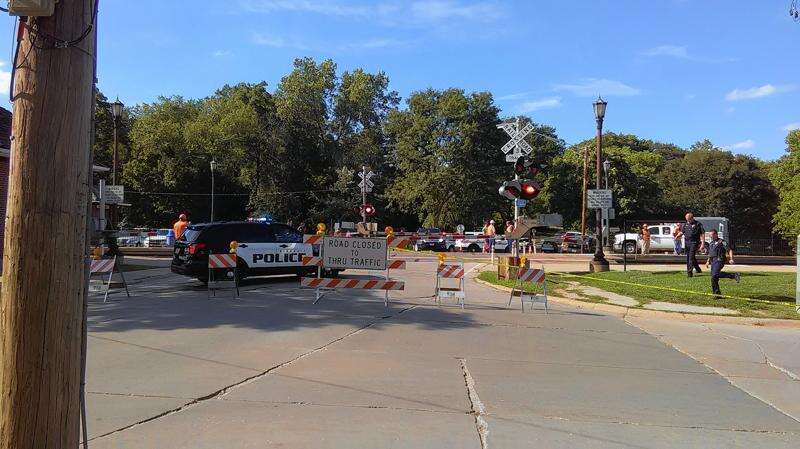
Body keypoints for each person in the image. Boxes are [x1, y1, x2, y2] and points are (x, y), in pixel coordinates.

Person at [705, 228, 740, 295]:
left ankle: (733, 275)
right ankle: (716, 293)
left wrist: (731, 258)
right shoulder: (711, 243)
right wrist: (708, 261)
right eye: (710, 235)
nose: (711, 236)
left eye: (712, 235)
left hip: (719, 260)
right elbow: (711, 253)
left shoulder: (722, 241)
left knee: (715, 274)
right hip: (713, 261)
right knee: (713, 277)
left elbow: (729, 250)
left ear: (716, 234)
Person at [680, 213, 705, 277]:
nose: (688, 221)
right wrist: (677, 235)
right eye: (687, 220)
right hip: (687, 243)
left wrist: (702, 244)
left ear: (692, 218)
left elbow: (702, 234)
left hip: (694, 242)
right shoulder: (685, 224)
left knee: (690, 257)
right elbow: (682, 232)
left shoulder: (698, 224)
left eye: (689, 220)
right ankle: (698, 269)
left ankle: (689, 272)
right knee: (691, 257)